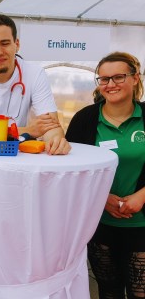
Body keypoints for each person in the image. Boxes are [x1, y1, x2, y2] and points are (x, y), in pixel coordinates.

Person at [0, 14, 71, 289]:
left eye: (5, 43)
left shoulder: (33, 73)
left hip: (17, 175)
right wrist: (27, 130)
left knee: (20, 239)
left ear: (17, 44)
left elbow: (51, 125)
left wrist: (57, 137)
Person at [66, 52, 145, 299]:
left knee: (140, 292)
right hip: (99, 222)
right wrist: (103, 198)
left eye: (119, 77)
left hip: (141, 223)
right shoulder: (85, 119)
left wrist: (143, 195)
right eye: (104, 79)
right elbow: (71, 171)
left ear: (135, 78)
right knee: (108, 291)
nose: (111, 84)